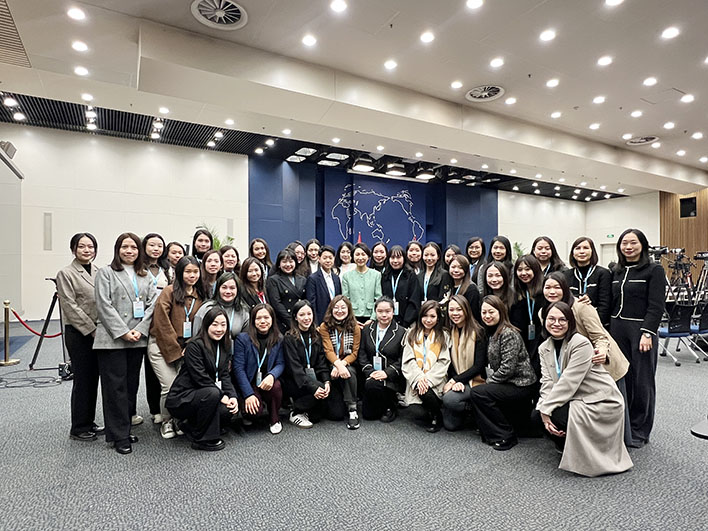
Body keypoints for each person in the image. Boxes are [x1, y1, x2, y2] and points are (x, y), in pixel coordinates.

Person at [536, 302, 633, 477]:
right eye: (551, 319)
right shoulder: (544, 347)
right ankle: (569, 446)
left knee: (555, 414)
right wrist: (543, 408)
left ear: (570, 322)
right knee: (536, 416)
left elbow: (569, 382)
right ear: (544, 321)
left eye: (562, 320)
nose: (556, 323)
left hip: (599, 400)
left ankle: (593, 456)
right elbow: (547, 382)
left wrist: (546, 409)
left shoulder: (581, 343)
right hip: (575, 397)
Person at [541, 272, 631, 443]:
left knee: (609, 404)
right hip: (577, 363)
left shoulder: (581, 307)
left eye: (557, 287)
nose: (552, 291)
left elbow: (600, 336)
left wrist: (602, 351)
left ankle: (618, 444)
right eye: (548, 287)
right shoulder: (544, 312)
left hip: (600, 360)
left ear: (565, 288)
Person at [94, 232, 158, 454]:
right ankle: (118, 435)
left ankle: (124, 428)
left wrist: (139, 330)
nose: (129, 251)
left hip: (137, 339)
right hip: (113, 338)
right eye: (125, 247)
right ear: (117, 249)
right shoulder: (106, 273)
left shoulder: (145, 274)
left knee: (131, 386)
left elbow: (153, 304)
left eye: (133, 247)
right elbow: (103, 305)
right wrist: (123, 332)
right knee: (115, 388)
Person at [610, 228, 665, 448]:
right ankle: (623, 426)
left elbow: (656, 306)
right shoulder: (615, 270)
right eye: (624, 243)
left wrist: (647, 332)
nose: (628, 247)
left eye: (633, 243)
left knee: (642, 381)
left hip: (640, 330)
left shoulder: (654, 270)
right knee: (621, 378)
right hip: (617, 329)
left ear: (643, 245)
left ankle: (640, 430)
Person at [165, 307, 239, 451]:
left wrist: (232, 396)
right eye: (215, 324)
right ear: (206, 325)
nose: (219, 329)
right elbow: (200, 377)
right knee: (213, 393)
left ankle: (190, 426)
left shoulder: (225, 345)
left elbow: (224, 375)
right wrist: (222, 395)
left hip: (206, 394)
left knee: (227, 410)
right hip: (183, 397)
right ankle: (201, 439)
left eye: (223, 325)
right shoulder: (194, 345)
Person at [469, 295, 537, 451]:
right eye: (484, 312)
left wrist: (489, 382)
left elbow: (507, 369)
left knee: (479, 393)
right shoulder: (490, 332)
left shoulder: (508, 334)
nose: (487, 316)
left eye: (491, 312)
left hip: (521, 384)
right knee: (480, 391)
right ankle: (493, 431)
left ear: (501, 312)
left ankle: (506, 435)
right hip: (507, 382)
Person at [149, 256, 206, 439]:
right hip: (161, 345)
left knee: (184, 386)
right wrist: (176, 350)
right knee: (170, 385)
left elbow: (203, 324)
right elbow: (161, 324)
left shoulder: (201, 294)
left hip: (187, 346)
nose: (192, 275)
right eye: (188, 271)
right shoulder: (169, 292)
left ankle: (178, 419)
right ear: (180, 272)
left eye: (195, 271)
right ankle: (166, 421)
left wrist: (189, 346)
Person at [56, 232, 103, 442]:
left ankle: (89, 421)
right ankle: (79, 427)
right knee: (83, 380)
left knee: (93, 379)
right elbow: (69, 305)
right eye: (82, 246)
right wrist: (91, 329)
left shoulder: (99, 271)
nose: (87, 250)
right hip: (80, 333)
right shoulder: (66, 273)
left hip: (99, 332)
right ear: (73, 249)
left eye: (90, 246)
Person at [232, 304, 285, 434]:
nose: (262, 321)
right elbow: (238, 369)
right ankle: (247, 411)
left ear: (272, 319)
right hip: (249, 382)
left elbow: (280, 363)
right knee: (254, 413)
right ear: (253, 321)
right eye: (258, 318)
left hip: (266, 381)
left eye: (266, 317)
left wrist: (272, 375)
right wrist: (248, 394)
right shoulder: (242, 339)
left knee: (276, 386)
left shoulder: (279, 339)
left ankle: (274, 419)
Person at [402, 300, 451, 432]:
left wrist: (427, 380)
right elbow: (408, 360)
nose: (428, 320)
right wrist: (419, 378)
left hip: (435, 381)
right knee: (417, 413)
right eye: (425, 316)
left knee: (426, 393)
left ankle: (437, 416)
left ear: (438, 318)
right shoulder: (411, 334)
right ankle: (432, 410)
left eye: (432, 316)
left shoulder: (444, 336)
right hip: (416, 379)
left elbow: (443, 362)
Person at [281, 300, 331, 428]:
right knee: (319, 392)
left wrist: (327, 382)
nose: (306, 318)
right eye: (302, 315)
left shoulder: (316, 335)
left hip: (312, 378)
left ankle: (307, 409)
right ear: (295, 317)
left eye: (309, 314)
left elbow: (321, 363)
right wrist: (314, 388)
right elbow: (295, 370)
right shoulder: (289, 338)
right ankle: (296, 411)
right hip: (295, 381)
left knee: (332, 413)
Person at [441, 295, 487, 431]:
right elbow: (450, 363)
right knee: (450, 426)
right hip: (458, 380)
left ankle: (475, 409)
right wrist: (456, 380)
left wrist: (456, 380)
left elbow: (479, 366)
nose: (455, 313)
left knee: (450, 400)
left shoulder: (478, 331)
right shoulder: (450, 331)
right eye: (451, 310)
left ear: (466, 310)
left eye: (459, 309)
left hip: (475, 380)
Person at [359, 297, 406, 422]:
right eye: (380, 311)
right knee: (368, 415)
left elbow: (402, 359)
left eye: (387, 311)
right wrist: (370, 371)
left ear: (393, 312)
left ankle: (391, 404)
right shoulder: (367, 329)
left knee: (373, 385)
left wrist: (386, 373)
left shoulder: (401, 332)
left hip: (391, 377)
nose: (384, 315)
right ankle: (381, 403)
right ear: (375, 312)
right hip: (371, 375)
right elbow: (362, 353)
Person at [318, 295, 361, 429]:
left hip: (348, 364)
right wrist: (337, 364)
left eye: (343, 307)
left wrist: (342, 365)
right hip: (330, 365)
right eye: (336, 307)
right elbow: (328, 350)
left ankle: (353, 409)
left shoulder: (355, 327)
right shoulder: (324, 327)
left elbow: (354, 353)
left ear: (349, 310)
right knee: (336, 415)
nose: (340, 310)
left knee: (350, 372)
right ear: (331, 310)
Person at [141, 233, 169, 424]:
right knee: (148, 367)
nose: (156, 249)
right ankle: (154, 409)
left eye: (159, 245)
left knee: (161, 366)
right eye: (152, 245)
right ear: (144, 247)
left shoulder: (167, 269)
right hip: (141, 320)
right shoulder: (138, 268)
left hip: (162, 321)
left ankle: (163, 406)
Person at [563, 237, 612, 327]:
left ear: (592, 251)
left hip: (596, 324)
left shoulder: (603, 273)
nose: (582, 251)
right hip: (572, 324)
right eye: (578, 248)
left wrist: (594, 324)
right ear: (573, 253)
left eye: (586, 248)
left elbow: (605, 304)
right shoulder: (566, 275)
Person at [509, 255, 545, 378]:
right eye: (520, 270)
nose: (523, 273)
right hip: (523, 343)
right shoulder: (515, 294)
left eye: (528, 269)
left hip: (542, 341)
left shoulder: (545, 291)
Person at [193, 272, 250, 338]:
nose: (228, 291)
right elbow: (196, 337)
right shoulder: (206, 309)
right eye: (224, 287)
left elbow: (245, 340)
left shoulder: (243, 312)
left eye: (232, 288)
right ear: (218, 289)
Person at [266, 248, 307, 333]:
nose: (288, 265)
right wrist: (292, 323)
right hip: (282, 323)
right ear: (279, 264)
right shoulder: (273, 280)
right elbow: (276, 304)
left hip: (301, 321)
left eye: (291, 261)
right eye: (284, 262)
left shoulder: (302, 279)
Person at [381, 245, 421, 327]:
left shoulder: (410, 275)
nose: (395, 261)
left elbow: (414, 299)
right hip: (387, 321)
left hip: (407, 322)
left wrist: (406, 321)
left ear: (404, 258)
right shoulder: (385, 275)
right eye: (392, 258)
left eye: (398, 257)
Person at [342, 242, 382, 325]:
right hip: (353, 317)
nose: (360, 257)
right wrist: (351, 319)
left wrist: (373, 318)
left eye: (363, 254)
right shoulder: (346, 276)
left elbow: (378, 298)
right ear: (352, 257)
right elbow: (345, 300)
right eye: (357, 254)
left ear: (368, 256)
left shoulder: (376, 275)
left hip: (371, 316)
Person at [305, 245, 341, 324]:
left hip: (335, 319)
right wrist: (315, 323)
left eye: (330, 258)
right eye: (325, 258)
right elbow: (312, 303)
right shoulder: (313, 278)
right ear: (319, 259)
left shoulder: (336, 278)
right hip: (320, 320)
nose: (328, 261)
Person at [447, 254, 481, 322]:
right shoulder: (448, 286)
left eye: (460, 267)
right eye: (453, 267)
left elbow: (474, 315)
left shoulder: (471, 289)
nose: (456, 270)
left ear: (466, 270)